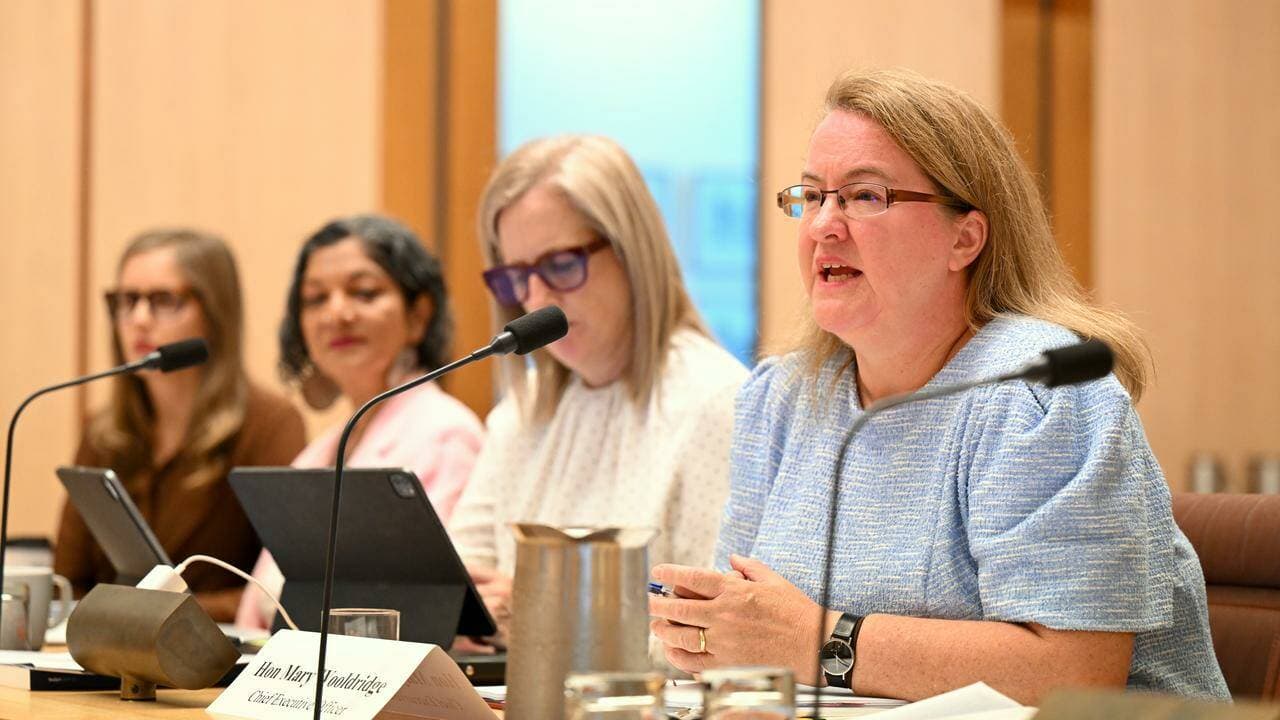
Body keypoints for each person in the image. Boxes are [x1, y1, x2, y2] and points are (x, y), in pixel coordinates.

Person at [648, 68, 1229, 703]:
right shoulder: (781, 398)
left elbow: (1076, 674)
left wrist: (816, 641)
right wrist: (707, 636)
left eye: (865, 197)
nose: (823, 227)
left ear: (965, 238)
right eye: (813, 197)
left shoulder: (1038, 392)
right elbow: (741, 636)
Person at [448, 135, 748, 646]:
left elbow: (719, 638)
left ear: (632, 252)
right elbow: (460, 584)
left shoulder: (719, 404)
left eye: (561, 265)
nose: (536, 299)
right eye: (518, 276)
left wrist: (544, 618)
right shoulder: (522, 413)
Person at [235, 214, 484, 628]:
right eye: (315, 299)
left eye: (364, 293)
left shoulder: (447, 434)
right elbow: (256, 610)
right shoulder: (318, 452)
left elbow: (432, 610)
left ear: (419, 316)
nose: (337, 313)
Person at [54, 229, 306, 622]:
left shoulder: (270, 425)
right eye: (126, 300)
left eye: (163, 300)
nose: (138, 319)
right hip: (107, 655)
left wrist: (155, 613)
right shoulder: (103, 433)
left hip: (211, 663)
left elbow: (284, 589)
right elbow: (67, 582)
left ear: (215, 312)